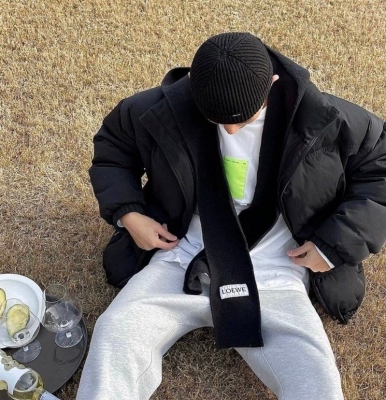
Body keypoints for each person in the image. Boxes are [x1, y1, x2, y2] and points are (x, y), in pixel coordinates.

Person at [76, 32, 386, 400]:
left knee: (316, 375)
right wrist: (129, 214)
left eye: (245, 119)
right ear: (192, 83)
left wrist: (333, 245)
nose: (231, 130)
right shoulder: (160, 107)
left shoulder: (326, 117)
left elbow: (380, 171)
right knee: (115, 333)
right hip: (181, 253)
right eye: (218, 120)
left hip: (277, 264)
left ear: (273, 84)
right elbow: (113, 149)